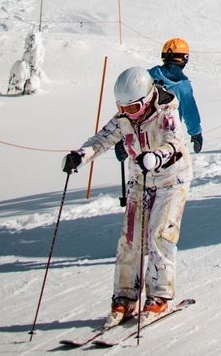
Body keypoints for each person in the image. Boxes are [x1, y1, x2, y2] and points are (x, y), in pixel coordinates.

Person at [63, 65, 194, 326]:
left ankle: (159, 296)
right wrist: (81, 155)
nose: (126, 114)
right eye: (122, 108)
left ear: (146, 100)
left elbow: (174, 142)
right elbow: (103, 138)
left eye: (132, 108)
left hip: (172, 179)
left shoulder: (167, 111)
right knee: (130, 239)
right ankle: (125, 297)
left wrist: (156, 156)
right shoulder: (125, 116)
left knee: (159, 234)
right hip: (140, 180)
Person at [151, 38, 203, 153]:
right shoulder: (182, 85)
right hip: (170, 138)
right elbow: (190, 111)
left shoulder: (148, 76)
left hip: (145, 136)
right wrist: (196, 133)